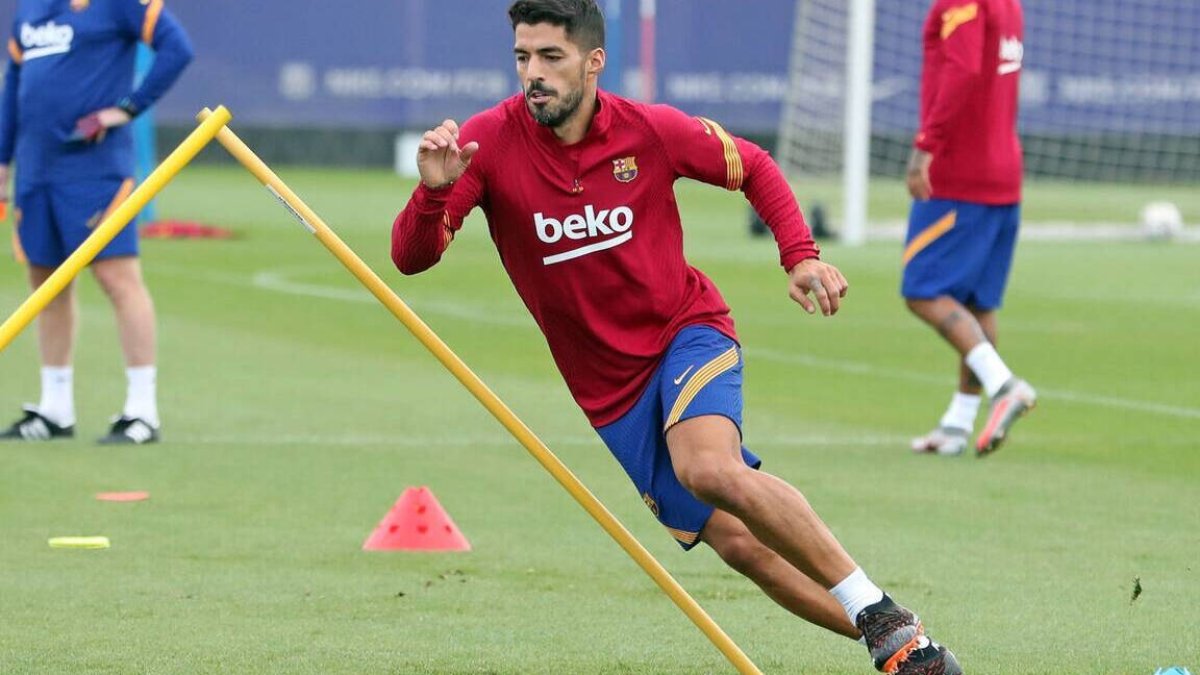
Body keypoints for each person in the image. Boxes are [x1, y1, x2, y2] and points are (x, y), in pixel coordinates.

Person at [392, 1, 961, 672]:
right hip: (610, 395)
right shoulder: (488, 143)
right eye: (523, 57)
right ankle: (911, 654)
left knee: (708, 466)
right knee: (743, 549)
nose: (533, 74)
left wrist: (800, 254)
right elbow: (412, 257)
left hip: (684, 333)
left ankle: (876, 608)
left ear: (593, 61)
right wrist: (432, 193)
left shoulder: (648, 130)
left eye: (551, 57)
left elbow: (752, 164)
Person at [0, 0, 193, 444]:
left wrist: (127, 107)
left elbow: (177, 48)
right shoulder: (30, 10)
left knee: (118, 277)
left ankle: (141, 411)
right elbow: (14, 86)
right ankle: (54, 408)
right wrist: (3, 163)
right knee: (45, 283)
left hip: (95, 170)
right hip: (36, 169)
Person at [905, 0, 1035, 458]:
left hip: (959, 176)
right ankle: (958, 424)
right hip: (1004, 173)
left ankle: (1004, 384)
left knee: (922, 289)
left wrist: (926, 148)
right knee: (977, 303)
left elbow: (961, 71)